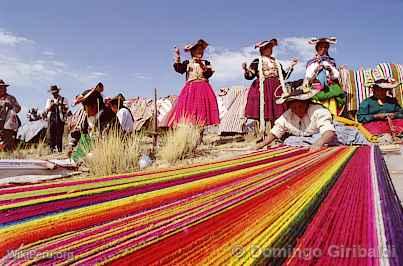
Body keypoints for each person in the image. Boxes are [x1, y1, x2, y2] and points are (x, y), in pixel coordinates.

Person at [257, 80, 368, 150]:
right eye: (294, 107)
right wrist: (261, 144)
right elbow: (276, 131)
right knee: (289, 141)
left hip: (327, 134)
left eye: (300, 106)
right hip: (308, 138)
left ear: (306, 103)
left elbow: (328, 132)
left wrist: (319, 143)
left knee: (335, 135)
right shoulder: (287, 115)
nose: (297, 110)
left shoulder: (318, 110)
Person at [243, 39, 298, 134]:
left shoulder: (276, 62)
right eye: (268, 48)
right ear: (263, 49)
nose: (271, 50)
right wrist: (246, 70)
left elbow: (284, 77)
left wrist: (291, 66)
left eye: (271, 48)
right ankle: (262, 133)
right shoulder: (257, 61)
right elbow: (250, 76)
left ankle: (275, 133)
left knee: (276, 110)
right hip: (263, 88)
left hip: (275, 88)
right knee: (262, 109)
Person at [168, 39, 219, 127]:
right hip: (191, 90)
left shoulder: (206, 63)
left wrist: (201, 65)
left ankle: (200, 134)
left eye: (201, 51)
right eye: (198, 51)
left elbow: (208, 74)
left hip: (204, 89)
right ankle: (190, 134)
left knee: (203, 111)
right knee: (190, 110)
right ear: (193, 52)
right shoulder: (187, 63)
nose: (200, 52)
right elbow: (179, 69)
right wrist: (177, 55)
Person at [68, 85, 117, 160]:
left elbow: (106, 144)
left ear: (94, 106)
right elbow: (79, 131)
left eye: (85, 107)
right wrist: (71, 144)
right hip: (92, 150)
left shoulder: (107, 117)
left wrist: (88, 156)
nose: (84, 110)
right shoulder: (87, 117)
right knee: (76, 158)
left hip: (109, 153)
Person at [305, 37, 345, 115]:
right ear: (317, 48)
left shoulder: (330, 62)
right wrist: (316, 70)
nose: (323, 49)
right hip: (316, 90)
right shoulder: (312, 63)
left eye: (325, 47)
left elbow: (335, 76)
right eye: (321, 47)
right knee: (318, 112)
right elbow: (309, 78)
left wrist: (330, 70)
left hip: (330, 90)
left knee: (331, 112)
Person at [45, 85, 69, 152]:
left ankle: (59, 149)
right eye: (53, 93)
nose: (54, 94)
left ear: (58, 91)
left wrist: (60, 105)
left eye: (55, 92)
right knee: (51, 134)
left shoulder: (64, 99)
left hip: (60, 118)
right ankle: (52, 149)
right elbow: (47, 109)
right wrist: (52, 105)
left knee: (59, 134)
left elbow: (66, 108)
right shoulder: (49, 100)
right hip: (51, 118)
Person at [0, 79, 21, 151]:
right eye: (1, 87)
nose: (3, 89)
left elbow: (18, 108)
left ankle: (7, 152)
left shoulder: (11, 98)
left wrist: (11, 106)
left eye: (4, 87)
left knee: (8, 140)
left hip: (8, 123)